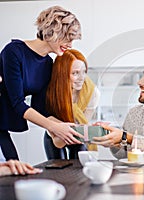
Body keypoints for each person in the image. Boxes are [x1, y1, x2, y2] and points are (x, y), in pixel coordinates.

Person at [0, 6, 84, 161]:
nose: (71, 45)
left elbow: (41, 109)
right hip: (3, 120)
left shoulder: (47, 64)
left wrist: (76, 129)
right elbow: (18, 103)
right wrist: (52, 127)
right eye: (68, 38)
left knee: (15, 168)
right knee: (12, 168)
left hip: (3, 124)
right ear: (53, 32)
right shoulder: (13, 52)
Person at [44, 49, 100, 159]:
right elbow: (54, 134)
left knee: (79, 168)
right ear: (62, 73)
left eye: (84, 72)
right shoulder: (49, 91)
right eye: (75, 73)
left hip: (77, 134)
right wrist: (60, 130)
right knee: (57, 167)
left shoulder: (92, 93)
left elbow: (83, 124)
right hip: (54, 133)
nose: (81, 78)